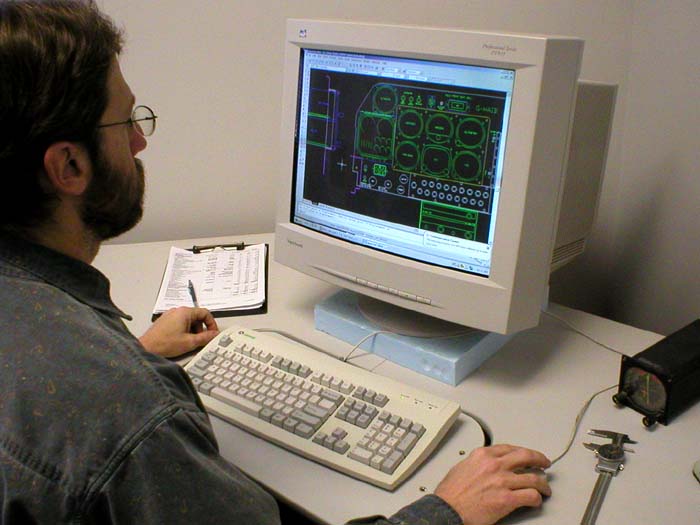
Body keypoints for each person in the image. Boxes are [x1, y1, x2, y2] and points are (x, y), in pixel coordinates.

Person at [0, 1, 552, 523]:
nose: (140, 142)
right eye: (125, 122)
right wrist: (447, 510)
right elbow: (106, 424)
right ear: (69, 167)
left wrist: (133, 355)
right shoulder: (134, 416)